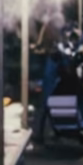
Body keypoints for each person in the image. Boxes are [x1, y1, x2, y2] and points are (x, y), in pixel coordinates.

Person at [31, 9, 66, 140]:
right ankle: (40, 132)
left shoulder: (51, 25)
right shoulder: (50, 25)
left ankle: (47, 130)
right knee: (46, 100)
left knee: (47, 100)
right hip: (50, 65)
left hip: (53, 64)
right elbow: (43, 43)